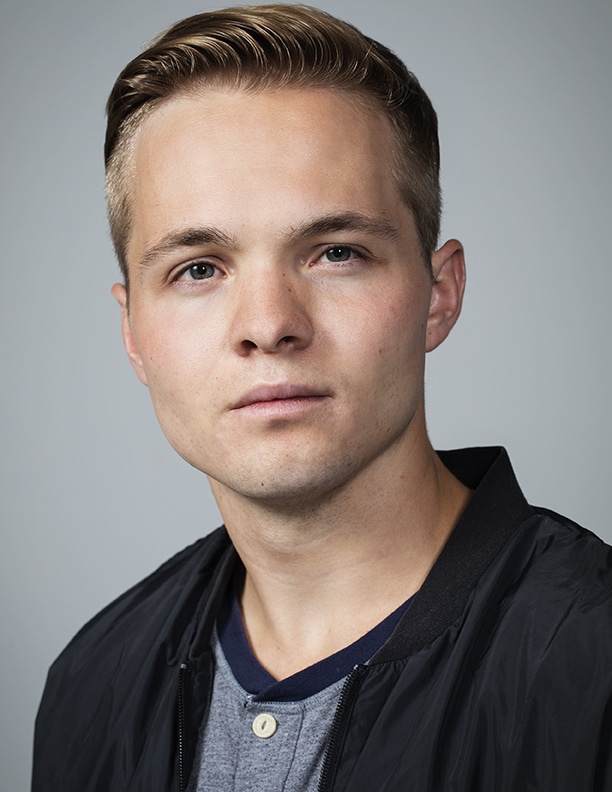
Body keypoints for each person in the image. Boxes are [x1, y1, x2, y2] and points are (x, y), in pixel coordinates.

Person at [32, 6, 612, 791]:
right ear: (132, 330)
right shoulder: (89, 689)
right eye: (199, 268)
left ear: (439, 296)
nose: (269, 325)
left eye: (336, 253)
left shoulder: (593, 664)